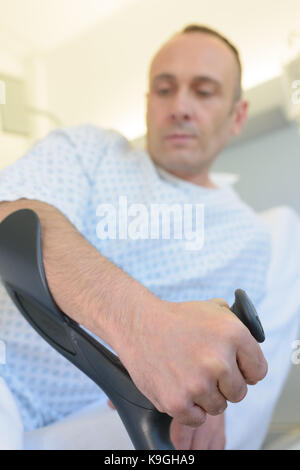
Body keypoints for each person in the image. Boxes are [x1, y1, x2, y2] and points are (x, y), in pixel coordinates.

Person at [0, 24, 297, 450]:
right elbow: (12, 219)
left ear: (238, 116)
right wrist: (142, 326)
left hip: (104, 422)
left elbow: (212, 358)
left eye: (204, 90)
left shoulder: (249, 241)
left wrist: (210, 399)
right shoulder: (91, 150)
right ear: (146, 104)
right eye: (164, 89)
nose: (179, 106)